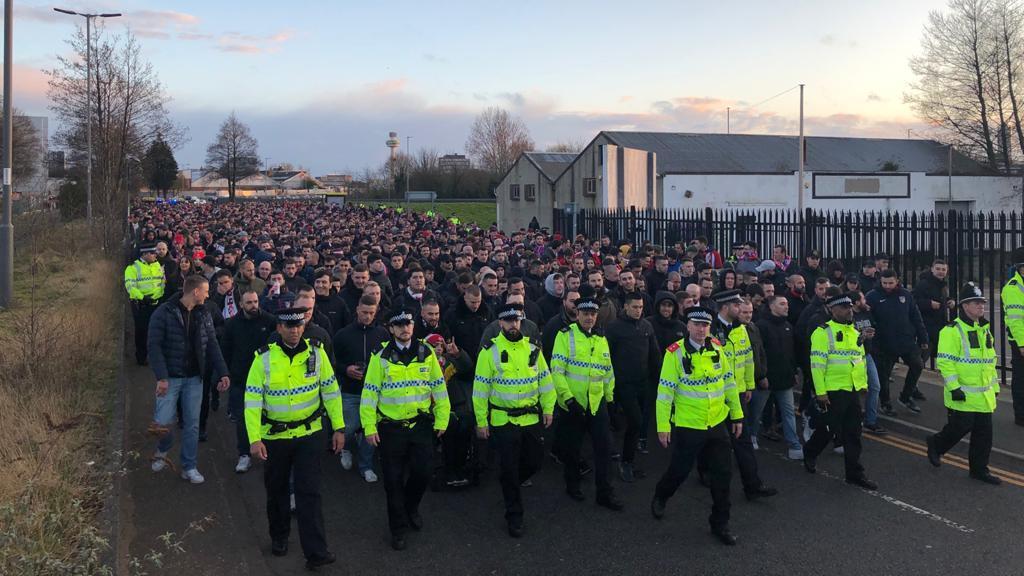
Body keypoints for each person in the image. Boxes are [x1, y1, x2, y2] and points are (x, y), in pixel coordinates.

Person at [244, 306, 344, 569]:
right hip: (275, 437)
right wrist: (254, 439)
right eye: (289, 327)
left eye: (299, 326)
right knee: (276, 490)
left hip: (309, 435)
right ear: (279, 328)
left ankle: (316, 552)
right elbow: (252, 401)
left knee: (309, 493)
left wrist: (339, 428)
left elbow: (331, 392)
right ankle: (279, 536)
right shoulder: (263, 359)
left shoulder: (317, 354)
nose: (295, 331)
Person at [650, 306, 742, 546]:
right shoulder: (675, 354)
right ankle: (662, 494)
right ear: (687, 326)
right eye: (697, 324)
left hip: (716, 422)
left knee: (723, 475)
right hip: (689, 424)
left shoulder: (717, 349)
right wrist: (663, 426)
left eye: (705, 325)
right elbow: (665, 392)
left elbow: (729, 383)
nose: (701, 329)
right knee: (679, 470)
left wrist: (737, 415)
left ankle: (720, 523)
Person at [361, 307, 451, 551]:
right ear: (391, 329)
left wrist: (442, 420)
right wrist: (369, 426)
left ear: (413, 326)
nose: (404, 329)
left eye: (408, 324)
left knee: (422, 473)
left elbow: (439, 389)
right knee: (392, 481)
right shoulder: (380, 357)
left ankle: (411, 506)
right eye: (398, 325)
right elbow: (369, 394)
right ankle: (398, 528)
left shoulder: (426, 352)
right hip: (391, 429)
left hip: (420, 425)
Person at [473, 303, 556, 537]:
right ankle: (514, 515)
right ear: (500, 323)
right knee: (509, 468)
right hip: (503, 419)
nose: (513, 325)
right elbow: (480, 390)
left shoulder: (533, 349)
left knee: (535, 462)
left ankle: (509, 485)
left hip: (530, 418)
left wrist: (548, 409)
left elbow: (545, 382)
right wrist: (482, 421)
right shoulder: (489, 352)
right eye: (508, 321)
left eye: (517, 320)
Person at [147, 275, 229, 484]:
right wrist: (162, 377)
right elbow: (154, 346)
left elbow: (212, 344)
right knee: (163, 422)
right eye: (206, 291)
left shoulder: (204, 314)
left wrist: (223, 372)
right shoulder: (163, 313)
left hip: (195, 378)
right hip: (171, 378)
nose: (209, 294)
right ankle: (163, 449)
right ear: (195, 292)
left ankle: (189, 466)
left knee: (192, 423)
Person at [550, 295, 624, 511]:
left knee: (605, 450)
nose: (589, 317)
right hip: (573, 404)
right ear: (578, 314)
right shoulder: (565, 336)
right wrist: (568, 399)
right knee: (572, 450)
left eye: (593, 314)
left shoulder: (601, 339)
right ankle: (572, 485)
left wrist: (610, 400)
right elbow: (557, 371)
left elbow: (607, 372)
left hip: (596, 403)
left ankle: (605, 492)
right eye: (585, 313)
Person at [927, 282, 1001, 484]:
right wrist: (955, 388)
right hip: (963, 393)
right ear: (965, 306)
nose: (981, 306)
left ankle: (979, 470)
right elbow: (945, 363)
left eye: (982, 303)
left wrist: (994, 388)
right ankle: (936, 443)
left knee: (984, 436)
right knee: (959, 428)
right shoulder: (951, 331)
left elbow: (989, 363)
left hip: (983, 395)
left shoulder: (984, 330)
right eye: (976, 303)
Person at [802, 293, 878, 491]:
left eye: (850, 307)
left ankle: (854, 474)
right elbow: (817, 365)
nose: (849, 311)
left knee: (853, 433)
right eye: (844, 308)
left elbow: (858, 361)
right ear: (832, 310)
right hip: (832, 390)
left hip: (851, 390)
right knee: (829, 430)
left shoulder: (854, 333)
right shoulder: (822, 333)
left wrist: (862, 385)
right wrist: (821, 393)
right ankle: (810, 451)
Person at [706, 290, 777, 500]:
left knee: (743, 441)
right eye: (737, 306)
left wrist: (748, 385)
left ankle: (752, 485)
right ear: (726, 307)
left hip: (736, 395)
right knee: (710, 442)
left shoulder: (741, 330)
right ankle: (704, 472)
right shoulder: (709, 329)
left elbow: (747, 360)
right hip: (715, 397)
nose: (741, 310)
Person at [605, 292, 662, 481]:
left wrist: (659, 376)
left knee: (638, 423)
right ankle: (626, 462)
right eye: (635, 307)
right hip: (623, 384)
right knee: (635, 421)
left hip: (643, 382)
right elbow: (607, 358)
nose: (639, 310)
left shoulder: (646, 326)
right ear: (626, 307)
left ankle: (629, 458)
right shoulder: (614, 328)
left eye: (641, 307)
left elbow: (654, 354)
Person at [332, 295, 389, 482]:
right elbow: (332, 363)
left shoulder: (383, 335)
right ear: (357, 310)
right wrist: (345, 369)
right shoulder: (343, 334)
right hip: (351, 390)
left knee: (368, 430)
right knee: (348, 427)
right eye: (364, 312)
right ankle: (346, 448)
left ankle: (366, 465)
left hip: (374, 393)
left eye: (371, 313)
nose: (367, 316)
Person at [220, 288, 277, 473]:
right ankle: (244, 454)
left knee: (269, 417)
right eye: (249, 302)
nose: (253, 305)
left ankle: (268, 452)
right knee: (243, 419)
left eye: (255, 302)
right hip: (241, 379)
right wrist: (226, 374)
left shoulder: (269, 321)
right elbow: (225, 351)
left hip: (267, 381)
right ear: (241, 304)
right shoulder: (232, 325)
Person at [868, 270, 928, 415]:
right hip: (884, 343)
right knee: (884, 376)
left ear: (897, 281)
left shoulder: (905, 295)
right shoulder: (872, 296)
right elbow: (867, 319)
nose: (887, 286)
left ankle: (906, 396)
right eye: (884, 283)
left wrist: (923, 337)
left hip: (906, 341)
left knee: (917, 365)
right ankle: (886, 402)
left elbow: (916, 317)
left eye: (891, 283)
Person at [752, 295, 803, 459]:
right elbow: (759, 354)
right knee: (756, 412)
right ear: (772, 306)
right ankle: (751, 436)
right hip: (766, 379)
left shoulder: (788, 326)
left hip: (785, 378)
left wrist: (794, 371)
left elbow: (791, 352)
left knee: (788, 412)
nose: (786, 307)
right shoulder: (761, 326)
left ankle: (794, 444)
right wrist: (761, 376)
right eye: (782, 304)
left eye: (786, 304)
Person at [125, 243, 166, 365]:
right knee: (142, 332)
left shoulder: (157, 264)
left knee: (158, 331)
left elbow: (161, 282)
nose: (155, 255)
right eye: (153, 253)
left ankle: (156, 356)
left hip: (158, 303)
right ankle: (141, 357)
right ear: (145, 254)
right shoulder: (132, 268)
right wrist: (143, 297)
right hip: (142, 305)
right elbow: (130, 287)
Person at [1000, 248, 1024, 426]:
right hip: (1020, 340)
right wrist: (1022, 344)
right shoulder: (1013, 288)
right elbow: (1015, 320)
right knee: (1021, 378)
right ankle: (1021, 415)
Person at [913, 259, 955, 362]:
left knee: (944, 354)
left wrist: (950, 301)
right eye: (938, 269)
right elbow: (913, 301)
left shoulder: (942, 284)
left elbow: (941, 298)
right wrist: (929, 304)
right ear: (932, 269)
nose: (941, 271)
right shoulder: (923, 284)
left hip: (940, 324)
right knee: (922, 357)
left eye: (943, 269)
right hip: (928, 326)